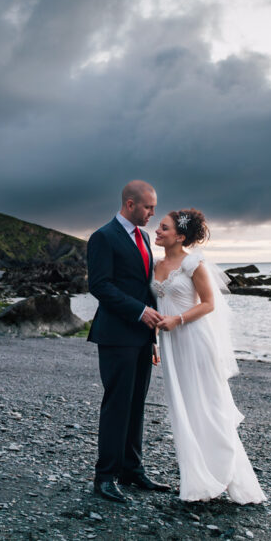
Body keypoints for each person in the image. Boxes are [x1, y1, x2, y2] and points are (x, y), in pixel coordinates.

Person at [152, 208, 266, 504]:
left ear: (180, 236)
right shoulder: (155, 264)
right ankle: (199, 480)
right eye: (159, 226)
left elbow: (209, 304)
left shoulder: (193, 263)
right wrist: (154, 339)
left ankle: (226, 473)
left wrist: (177, 320)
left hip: (194, 339)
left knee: (209, 405)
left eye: (164, 228)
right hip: (171, 344)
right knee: (184, 407)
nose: (157, 231)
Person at [86, 180, 164, 503]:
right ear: (130, 204)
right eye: (148, 208)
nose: (152, 214)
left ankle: (132, 469)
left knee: (136, 405)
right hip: (116, 335)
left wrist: (153, 333)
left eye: (154, 208)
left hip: (142, 337)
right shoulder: (103, 237)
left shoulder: (143, 237)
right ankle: (105, 477)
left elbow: (145, 286)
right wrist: (139, 312)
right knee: (117, 404)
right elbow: (99, 286)